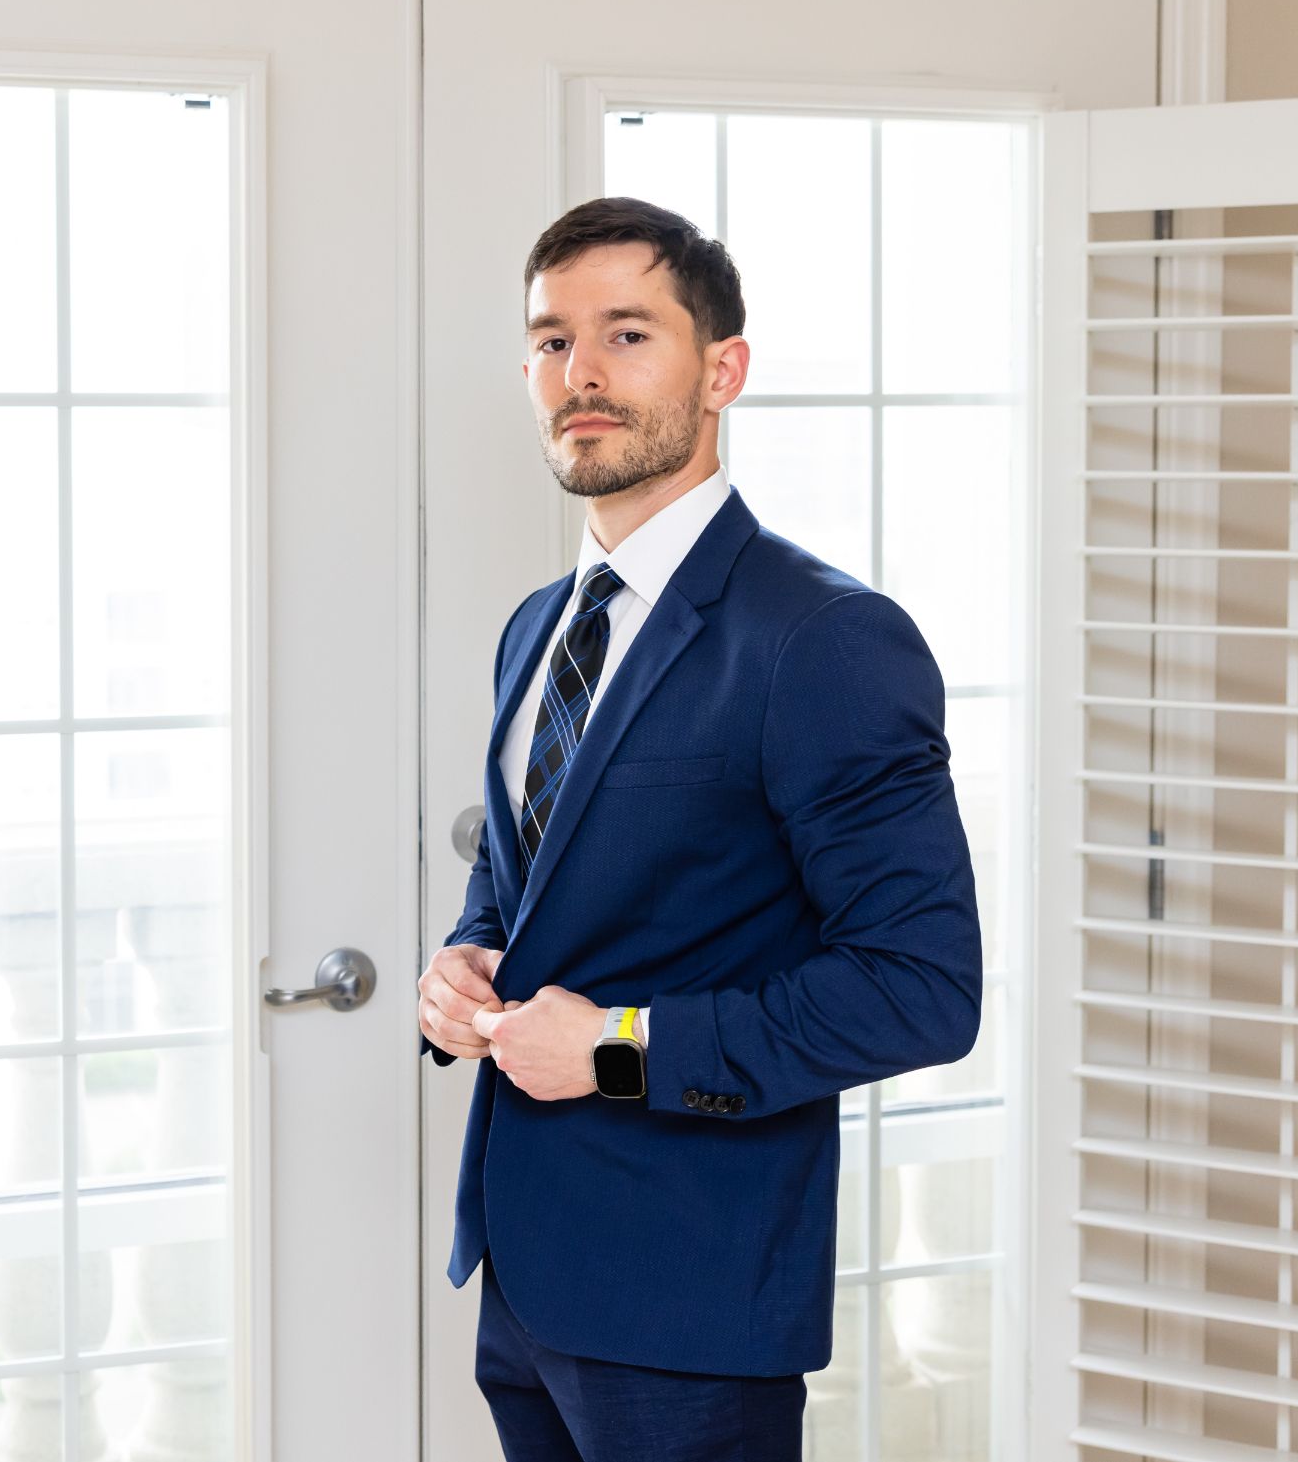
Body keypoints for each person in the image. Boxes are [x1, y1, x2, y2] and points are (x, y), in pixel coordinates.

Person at [417, 196, 984, 1461]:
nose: (582, 374)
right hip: (521, 1273)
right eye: (552, 340)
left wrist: (615, 1046)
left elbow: (920, 991)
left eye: (627, 334)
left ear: (719, 368)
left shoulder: (821, 640)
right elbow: (532, 891)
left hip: (687, 1293)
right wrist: (465, 962)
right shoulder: (536, 626)